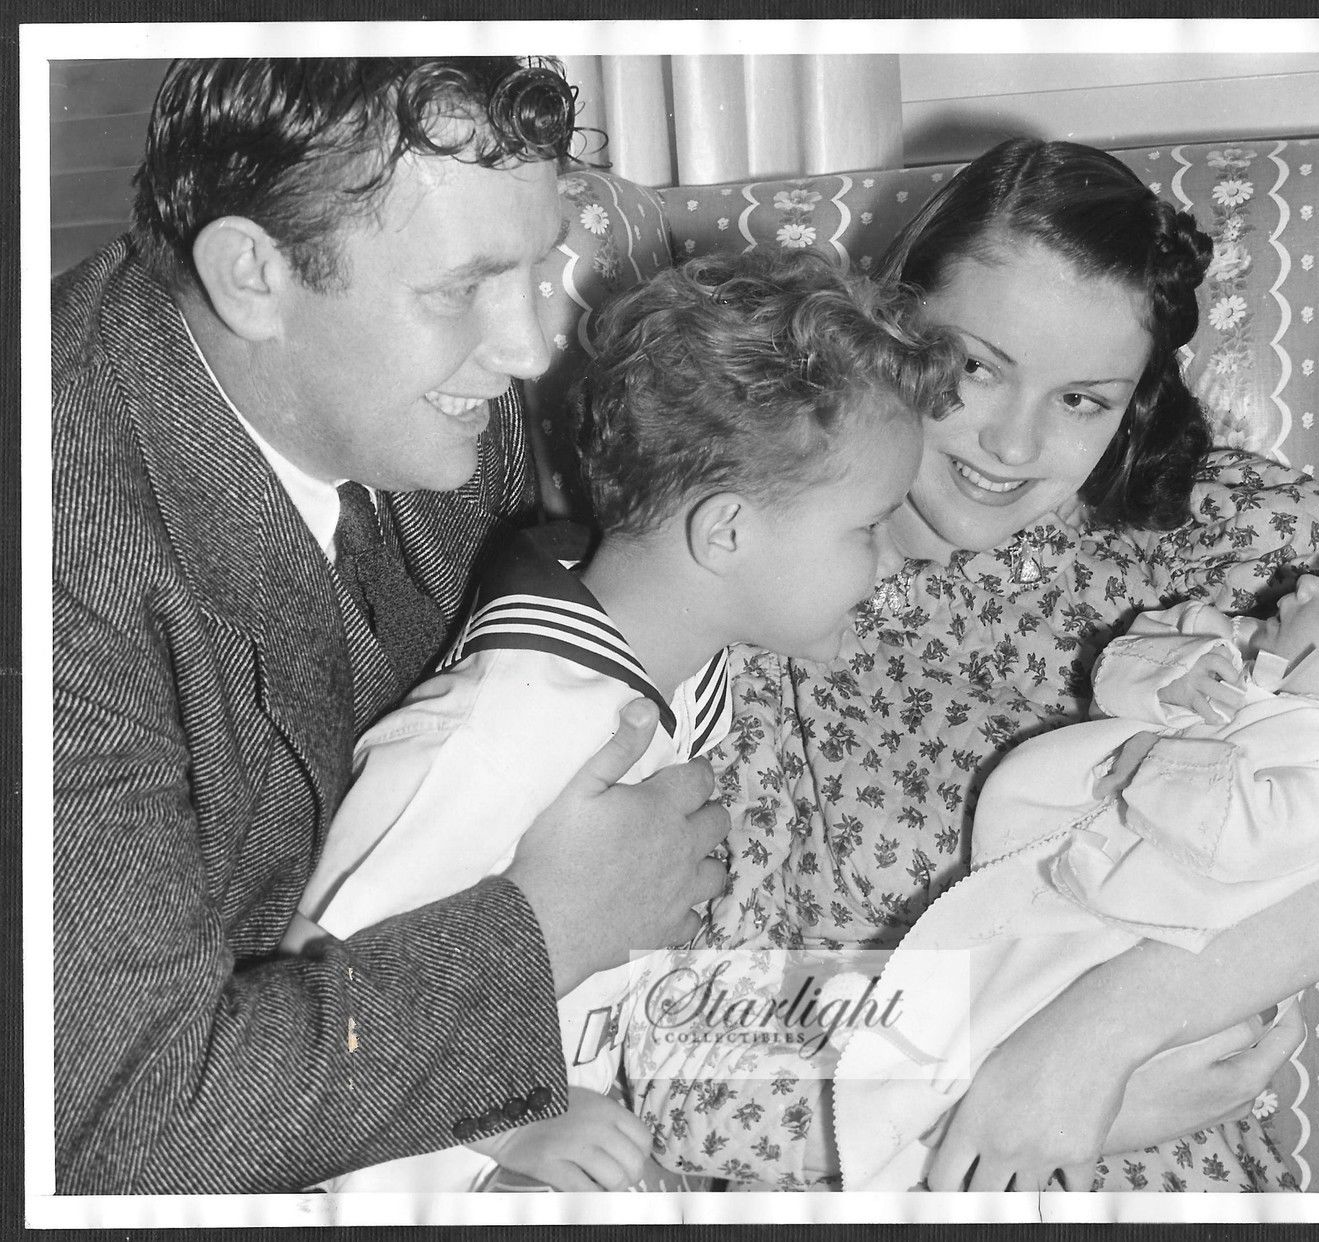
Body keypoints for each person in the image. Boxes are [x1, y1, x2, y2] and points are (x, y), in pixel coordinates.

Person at [628, 138, 1319, 1193]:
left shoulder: (1242, 540)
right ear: (891, 321)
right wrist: (1058, 1099)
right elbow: (691, 1056)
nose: (1011, 443)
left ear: (1133, 397)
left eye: (1082, 398)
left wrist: (1102, 1032)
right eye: (973, 368)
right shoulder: (755, 576)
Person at [51, 57, 730, 1194]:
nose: (528, 351)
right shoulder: (59, 560)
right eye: (461, 287)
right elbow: (131, 1122)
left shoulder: (419, 396)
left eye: (534, 265)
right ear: (252, 276)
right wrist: (547, 929)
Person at [284, 247, 960, 1192]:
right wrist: (509, 1120)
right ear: (725, 532)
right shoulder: (515, 725)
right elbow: (323, 986)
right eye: (869, 526)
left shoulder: (690, 675)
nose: (893, 558)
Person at [834, 544, 1319, 1190]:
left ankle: (906, 1137)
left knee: (990, 1013)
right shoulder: (1251, 645)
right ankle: (904, 1127)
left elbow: (1264, 832)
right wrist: (1175, 674)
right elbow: (1134, 657)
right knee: (967, 1001)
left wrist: (1158, 765)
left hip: (1158, 930)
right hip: (1080, 888)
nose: (1308, 580)